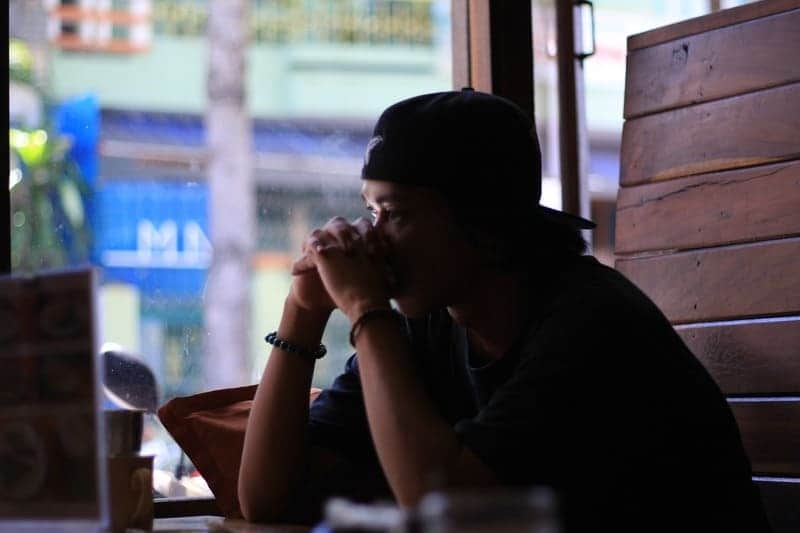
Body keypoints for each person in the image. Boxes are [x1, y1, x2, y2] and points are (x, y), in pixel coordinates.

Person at [238, 89, 769, 531]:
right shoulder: (426, 325)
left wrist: (364, 310)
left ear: (485, 228)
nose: (372, 239)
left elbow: (445, 512)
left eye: (395, 213)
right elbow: (265, 499)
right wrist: (301, 313)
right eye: (369, 211)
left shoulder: (592, 325)